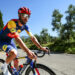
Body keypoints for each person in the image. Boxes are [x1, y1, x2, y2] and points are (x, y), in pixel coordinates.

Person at [0, 7, 48, 75]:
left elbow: (33, 37)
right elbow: (17, 38)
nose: (26, 18)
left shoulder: (25, 26)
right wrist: (28, 52)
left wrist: (41, 47)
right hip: (2, 41)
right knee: (14, 53)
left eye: (28, 16)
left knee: (16, 61)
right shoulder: (12, 23)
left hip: (10, 40)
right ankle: (3, 67)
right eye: (24, 15)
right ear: (19, 15)